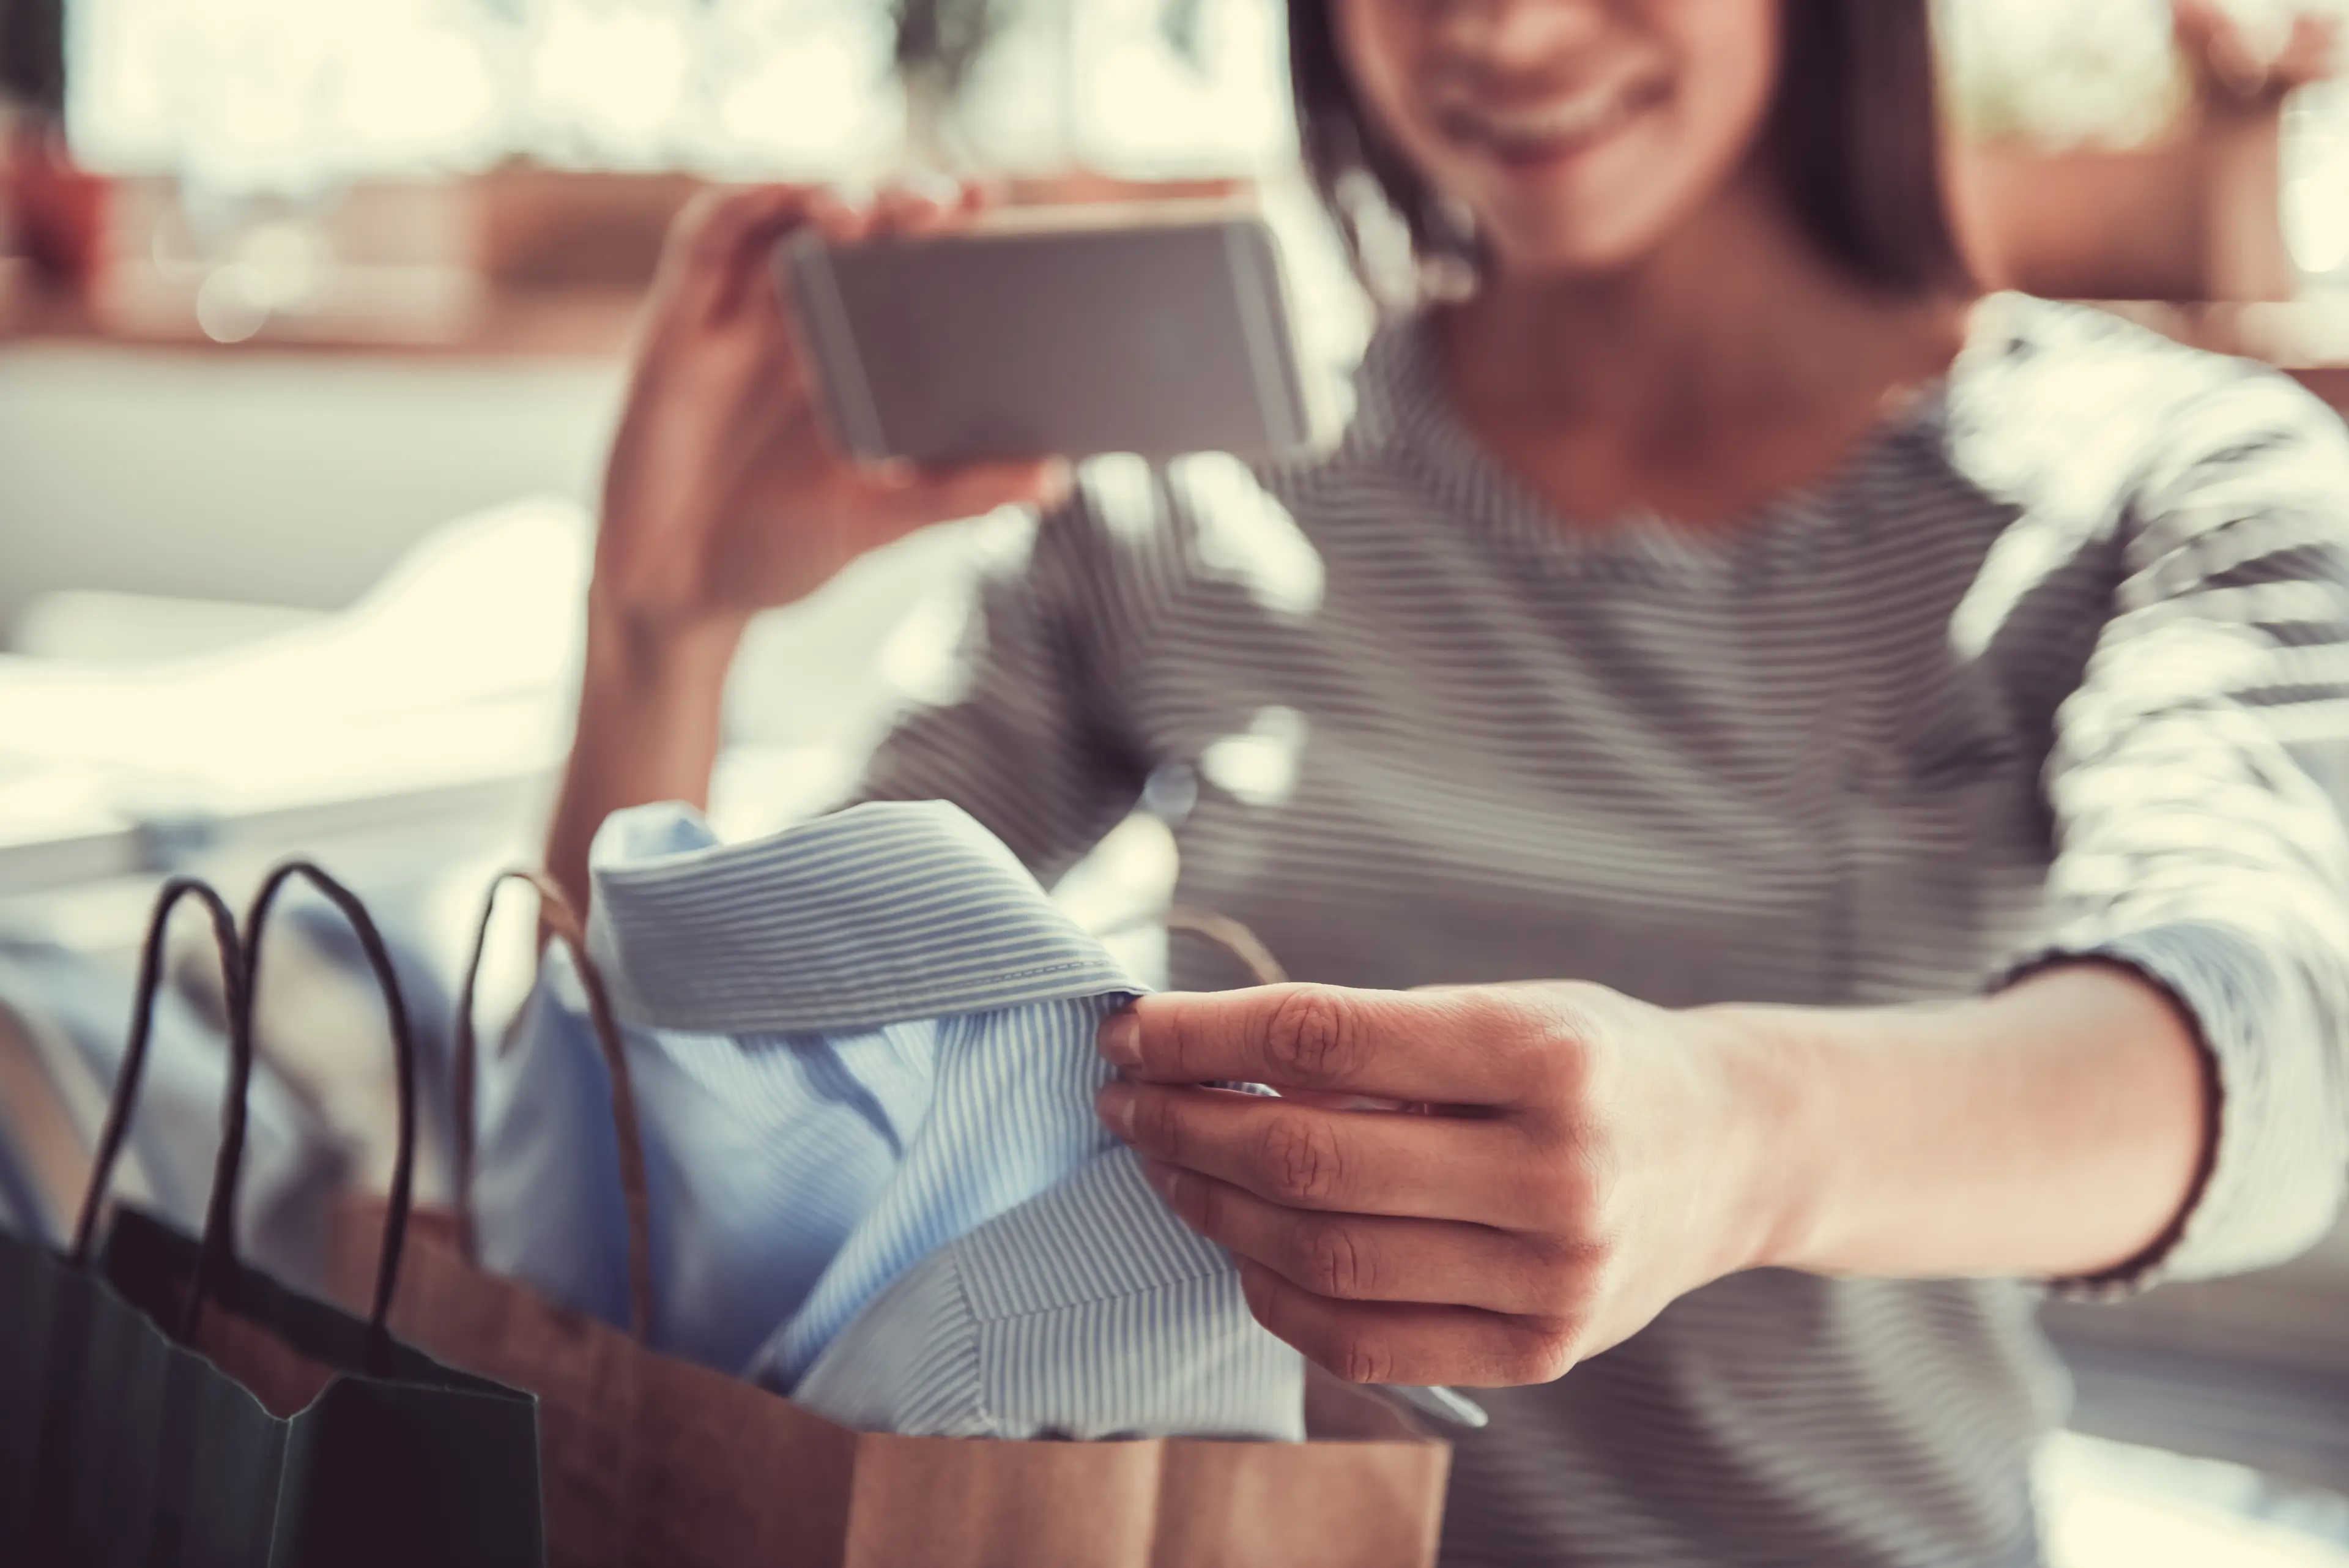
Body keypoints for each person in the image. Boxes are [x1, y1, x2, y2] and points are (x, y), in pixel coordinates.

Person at [547, 1, 2349, 1562]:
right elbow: (710, 1113)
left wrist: (1742, 1135)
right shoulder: (1186, 490)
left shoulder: (2170, 486)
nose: (1495, 35)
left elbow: (2267, 1050)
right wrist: (656, 631)